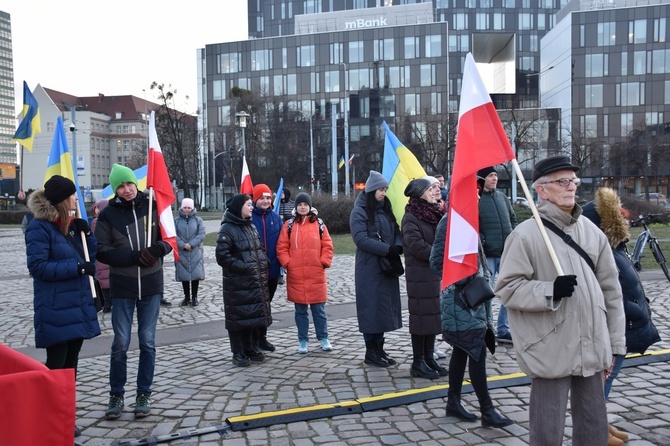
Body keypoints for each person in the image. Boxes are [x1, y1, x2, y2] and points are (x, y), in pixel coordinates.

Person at [495, 156, 626, 446]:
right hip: (550, 347)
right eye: (562, 182)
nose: (571, 187)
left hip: (592, 344)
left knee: (593, 425)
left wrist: (615, 342)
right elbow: (507, 288)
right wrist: (549, 291)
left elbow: (612, 291)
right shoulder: (525, 235)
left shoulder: (592, 232)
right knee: (547, 429)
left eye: (573, 181)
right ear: (541, 190)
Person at [582, 188, 661, 446]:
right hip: (615, 326)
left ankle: (602, 422)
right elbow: (609, 293)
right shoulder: (599, 253)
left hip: (625, 324)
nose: (623, 218)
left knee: (609, 377)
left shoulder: (615, 249)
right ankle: (596, 430)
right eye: (616, 217)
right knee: (603, 380)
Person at [95, 164, 174, 420]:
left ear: (135, 184)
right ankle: (116, 395)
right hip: (122, 287)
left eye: (129, 184)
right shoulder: (108, 215)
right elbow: (102, 250)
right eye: (121, 186)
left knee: (148, 342)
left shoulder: (152, 204)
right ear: (115, 189)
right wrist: (132, 257)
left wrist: (156, 251)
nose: (127, 190)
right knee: (120, 343)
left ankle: (143, 393)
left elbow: (169, 238)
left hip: (151, 285)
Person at [25, 175, 101, 437]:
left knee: (71, 367)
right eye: (72, 195)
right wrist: (77, 268)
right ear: (61, 199)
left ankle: (65, 416)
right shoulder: (39, 228)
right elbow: (38, 267)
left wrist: (86, 231)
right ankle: (48, 418)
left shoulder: (69, 225)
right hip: (56, 308)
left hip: (76, 305)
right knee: (56, 367)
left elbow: (90, 255)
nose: (76, 198)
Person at [430, 197, 513, 429]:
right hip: (461, 302)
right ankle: (487, 411)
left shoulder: (467, 221)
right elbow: (436, 262)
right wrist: (465, 279)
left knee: (462, 350)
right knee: (476, 353)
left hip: (473, 301)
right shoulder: (450, 222)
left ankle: (453, 402)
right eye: (472, 193)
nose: (476, 197)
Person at [349, 170, 403, 367]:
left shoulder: (384, 208)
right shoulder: (359, 211)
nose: (384, 193)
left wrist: (398, 245)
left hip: (385, 267)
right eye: (381, 189)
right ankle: (370, 351)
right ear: (372, 190)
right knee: (371, 310)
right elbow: (361, 239)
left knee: (382, 310)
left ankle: (380, 349)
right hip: (369, 268)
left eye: (385, 189)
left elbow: (396, 229)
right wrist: (387, 249)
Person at [216, 194, 272, 367]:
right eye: (248, 204)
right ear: (239, 207)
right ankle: (238, 352)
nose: (251, 207)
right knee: (238, 317)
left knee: (251, 315)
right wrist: (244, 267)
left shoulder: (250, 226)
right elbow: (222, 256)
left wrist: (264, 262)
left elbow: (259, 249)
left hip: (254, 282)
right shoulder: (228, 229)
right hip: (237, 283)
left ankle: (250, 348)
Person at [277, 192, 334, 353]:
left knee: (319, 311)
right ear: (296, 207)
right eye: (300, 204)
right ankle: (303, 340)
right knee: (300, 311)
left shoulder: (319, 224)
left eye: (305, 205)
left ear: (310, 207)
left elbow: (327, 245)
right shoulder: (288, 225)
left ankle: (323, 338)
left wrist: (324, 261)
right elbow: (282, 247)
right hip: (296, 274)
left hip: (316, 273)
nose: (303, 207)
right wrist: (288, 264)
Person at [401, 178, 446, 379]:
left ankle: (429, 357)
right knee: (421, 319)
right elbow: (416, 245)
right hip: (419, 275)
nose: (435, 192)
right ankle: (418, 362)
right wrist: (439, 256)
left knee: (432, 318)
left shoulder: (433, 213)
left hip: (433, 274)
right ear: (420, 193)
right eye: (430, 189)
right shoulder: (411, 217)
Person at [476, 166, 517, 344]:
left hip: (507, 253)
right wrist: (482, 240)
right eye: (491, 176)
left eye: (495, 175)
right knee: (487, 294)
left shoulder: (502, 198)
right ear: (482, 179)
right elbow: (473, 225)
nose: (494, 178)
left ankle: (503, 328)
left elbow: (513, 218)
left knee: (510, 291)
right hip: (488, 256)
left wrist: (514, 235)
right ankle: (487, 328)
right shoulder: (476, 200)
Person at [251, 184, 283, 351]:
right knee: (255, 305)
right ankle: (252, 340)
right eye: (262, 198)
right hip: (254, 272)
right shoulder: (249, 218)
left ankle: (262, 337)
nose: (265, 201)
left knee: (266, 305)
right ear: (255, 199)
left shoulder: (276, 218)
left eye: (268, 198)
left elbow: (283, 242)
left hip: (272, 271)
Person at [174, 198, 206, 307]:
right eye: (185, 207)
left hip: (195, 251)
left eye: (189, 207)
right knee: (184, 275)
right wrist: (183, 244)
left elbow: (201, 234)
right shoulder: (177, 221)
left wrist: (191, 244)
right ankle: (186, 296)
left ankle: (194, 297)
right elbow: (174, 235)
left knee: (195, 275)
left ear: (192, 208)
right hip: (182, 251)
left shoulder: (198, 220)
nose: (187, 209)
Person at [90, 199, 112, 313]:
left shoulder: (97, 221)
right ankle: (108, 303)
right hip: (106, 254)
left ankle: (107, 304)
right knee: (106, 279)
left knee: (104, 280)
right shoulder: (106, 220)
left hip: (101, 256)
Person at [277, 188, 295, 285]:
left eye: (283, 193)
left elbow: (295, 217)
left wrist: (286, 217)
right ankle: (279, 275)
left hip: (289, 232)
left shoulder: (292, 204)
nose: (281, 194)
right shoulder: (276, 204)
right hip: (278, 232)